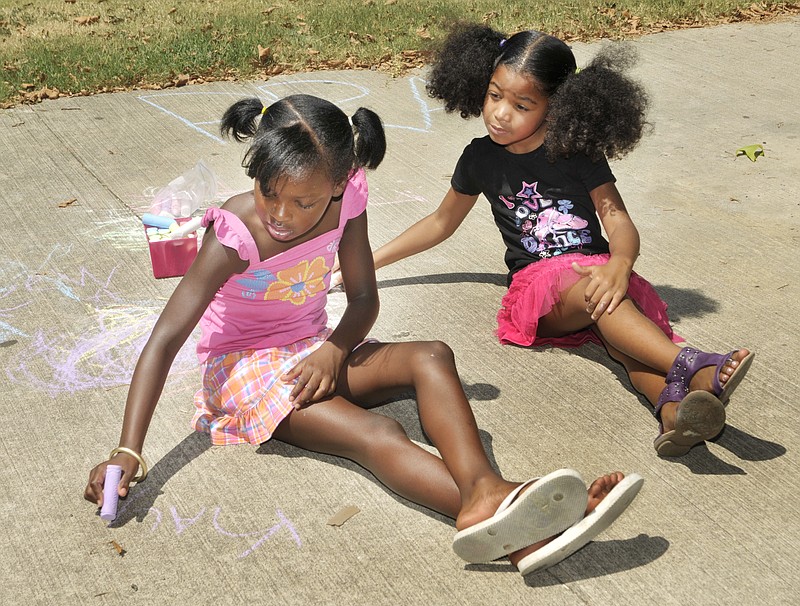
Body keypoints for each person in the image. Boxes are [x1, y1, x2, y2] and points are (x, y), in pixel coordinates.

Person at [84, 93, 643, 577]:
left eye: (303, 201)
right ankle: (523, 519)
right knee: (376, 433)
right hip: (244, 369)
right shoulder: (235, 233)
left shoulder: (348, 200)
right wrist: (128, 447)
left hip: (315, 347)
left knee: (431, 355)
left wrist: (333, 349)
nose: (281, 213)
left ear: (337, 184)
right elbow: (164, 340)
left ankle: (486, 498)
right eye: (267, 191)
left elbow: (364, 300)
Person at [358, 24, 754, 457]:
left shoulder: (576, 151)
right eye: (494, 95)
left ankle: (674, 410)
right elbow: (440, 222)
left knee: (625, 346)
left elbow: (617, 220)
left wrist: (621, 263)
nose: (500, 114)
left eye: (521, 104)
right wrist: (367, 265)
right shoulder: (480, 158)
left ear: (557, 107)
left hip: (597, 272)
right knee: (601, 299)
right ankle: (692, 362)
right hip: (539, 291)